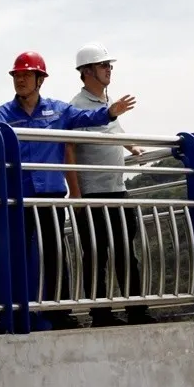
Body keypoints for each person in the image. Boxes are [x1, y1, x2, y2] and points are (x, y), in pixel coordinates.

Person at [0, 51, 136, 330]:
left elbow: (85, 117)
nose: (20, 80)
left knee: (55, 254)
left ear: (40, 80)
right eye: (17, 75)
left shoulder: (58, 110)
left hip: (51, 194)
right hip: (18, 197)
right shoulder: (2, 115)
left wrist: (110, 112)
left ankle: (60, 313)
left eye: (26, 75)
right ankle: (18, 314)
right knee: (18, 255)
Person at [65, 42, 157, 327]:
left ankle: (136, 310)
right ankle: (101, 314)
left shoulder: (108, 102)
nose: (109, 69)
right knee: (96, 255)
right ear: (87, 71)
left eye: (109, 65)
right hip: (93, 193)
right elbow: (68, 149)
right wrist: (76, 194)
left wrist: (132, 148)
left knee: (126, 252)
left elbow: (114, 131)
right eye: (104, 65)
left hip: (118, 189)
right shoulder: (76, 107)